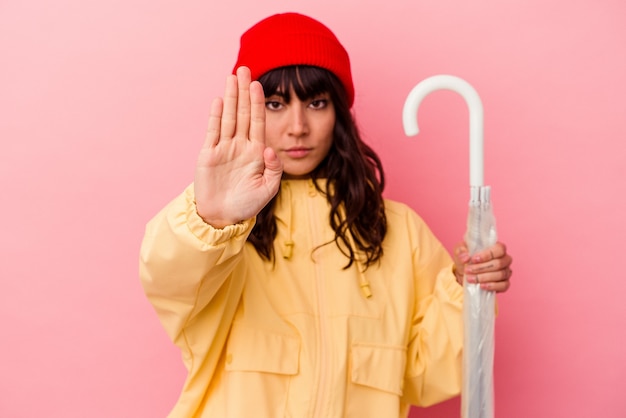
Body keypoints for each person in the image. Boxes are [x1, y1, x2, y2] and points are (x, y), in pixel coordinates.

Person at [139, 12, 513, 418]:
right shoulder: (227, 235)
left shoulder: (399, 231)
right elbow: (168, 281)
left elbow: (425, 374)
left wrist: (466, 290)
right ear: (251, 111)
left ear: (339, 114)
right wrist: (210, 220)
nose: (298, 127)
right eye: (276, 104)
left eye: (316, 103)